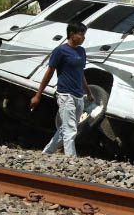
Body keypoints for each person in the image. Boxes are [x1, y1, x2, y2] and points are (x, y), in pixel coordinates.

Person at [31, 22, 94, 157]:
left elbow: (81, 73)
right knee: (70, 129)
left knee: (65, 128)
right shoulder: (60, 51)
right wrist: (38, 95)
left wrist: (88, 92)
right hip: (65, 95)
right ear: (72, 34)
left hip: (79, 96)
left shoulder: (81, 51)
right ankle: (71, 159)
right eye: (81, 34)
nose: (83, 38)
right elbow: (49, 73)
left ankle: (46, 153)